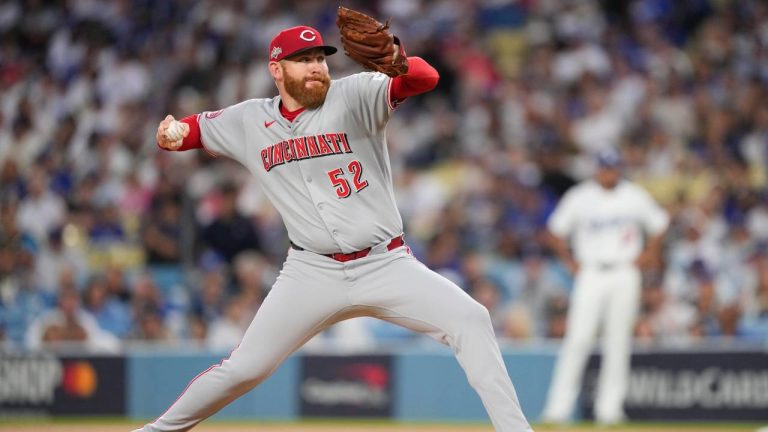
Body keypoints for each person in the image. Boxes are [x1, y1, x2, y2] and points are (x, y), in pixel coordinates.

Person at [132, 22, 532, 432]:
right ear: (277, 70)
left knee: (471, 318)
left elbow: (425, 79)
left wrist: (399, 61)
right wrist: (171, 135)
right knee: (244, 370)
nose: (316, 67)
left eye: (320, 58)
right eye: (303, 60)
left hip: (385, 263)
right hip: (311, 272)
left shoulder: (354, 93)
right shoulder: (250, 119)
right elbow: (191, 130)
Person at [540, 149, 669, 425]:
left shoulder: (634, 195)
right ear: (597, 169)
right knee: (578, 339)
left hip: (625, 271)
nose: (609, 172)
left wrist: (647, 255)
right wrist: (570, 262)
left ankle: (609, 411)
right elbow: (555, 231)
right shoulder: (580, 196)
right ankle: (557, 410)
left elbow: (659, 225)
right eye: (605, 168)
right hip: (592, 271)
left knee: (618, 342)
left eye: (613, 167)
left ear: (619, 168)